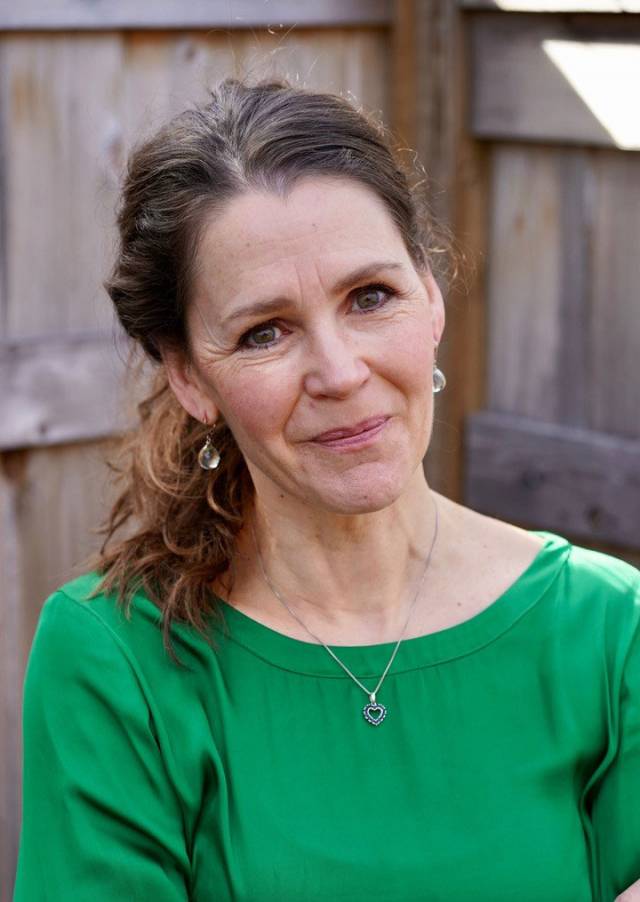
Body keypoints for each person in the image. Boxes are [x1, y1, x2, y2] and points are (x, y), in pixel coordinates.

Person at [14, 77, 640, 902]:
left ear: (430, 296)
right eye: (264, 333)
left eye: (370, 297)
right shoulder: (114, 660)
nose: (340, 373)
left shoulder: (607, 629)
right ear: (191, 377)